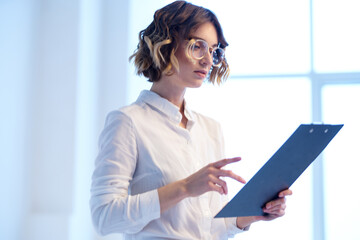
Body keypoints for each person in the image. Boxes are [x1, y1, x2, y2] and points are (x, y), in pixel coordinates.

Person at [90, 1, 292, 239]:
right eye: (198, 46)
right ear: (166, 45)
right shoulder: (128, 122)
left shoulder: (210, 129)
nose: (208, 60)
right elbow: (103, 218)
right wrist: (184, 188)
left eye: (214, 51)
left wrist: (253, 214)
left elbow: (211, 227)